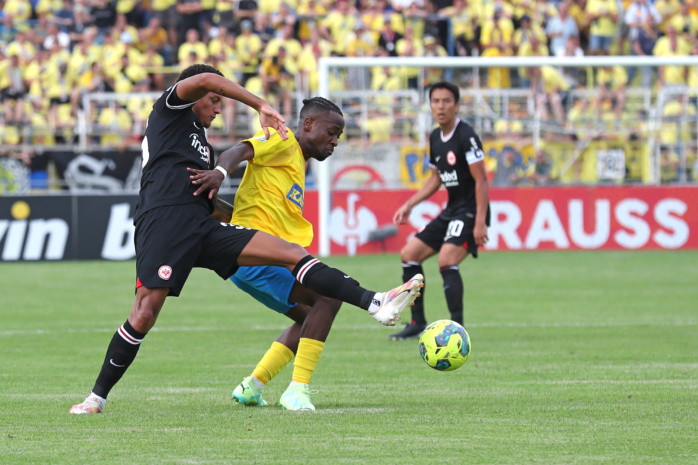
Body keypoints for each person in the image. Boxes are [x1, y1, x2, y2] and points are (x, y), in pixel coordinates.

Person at [69, 64, 424, 414]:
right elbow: (209, 80)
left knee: (290, 253)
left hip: (203, 227)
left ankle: (375, 302)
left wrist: (227, 207)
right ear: (192, 94)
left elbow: (205, 197)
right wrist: (259, 105)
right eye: (213, 99)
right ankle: (95, 398)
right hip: (164, 224)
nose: (219, 105)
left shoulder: (201, 146)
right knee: (145, 313)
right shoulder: (168, 112)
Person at [219, 97, 394, 411]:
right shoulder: (280, 139)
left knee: (310, 319)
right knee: (328, 298)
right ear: (308, 124)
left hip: (256, 260)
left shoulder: (296, 161)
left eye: (339, 135)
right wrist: (219, 173)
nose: (335, 141)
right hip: (255, 255)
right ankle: (297, 390)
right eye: (332, 132)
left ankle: (253, 385)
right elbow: (238, 151)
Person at [389, 81, 490, 341]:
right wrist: (410, 204)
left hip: (469, 212)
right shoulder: (435, 136)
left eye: (446, 101)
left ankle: (458, 329)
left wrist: (480, 222)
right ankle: (417, 322)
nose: (440, 106)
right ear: (430, 105)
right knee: (409, 254)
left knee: (447, 260)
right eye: (436, 101)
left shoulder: (466, 136)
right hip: (451, 210)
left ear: (457, 106)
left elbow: (481, 180)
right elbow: (436, 178)